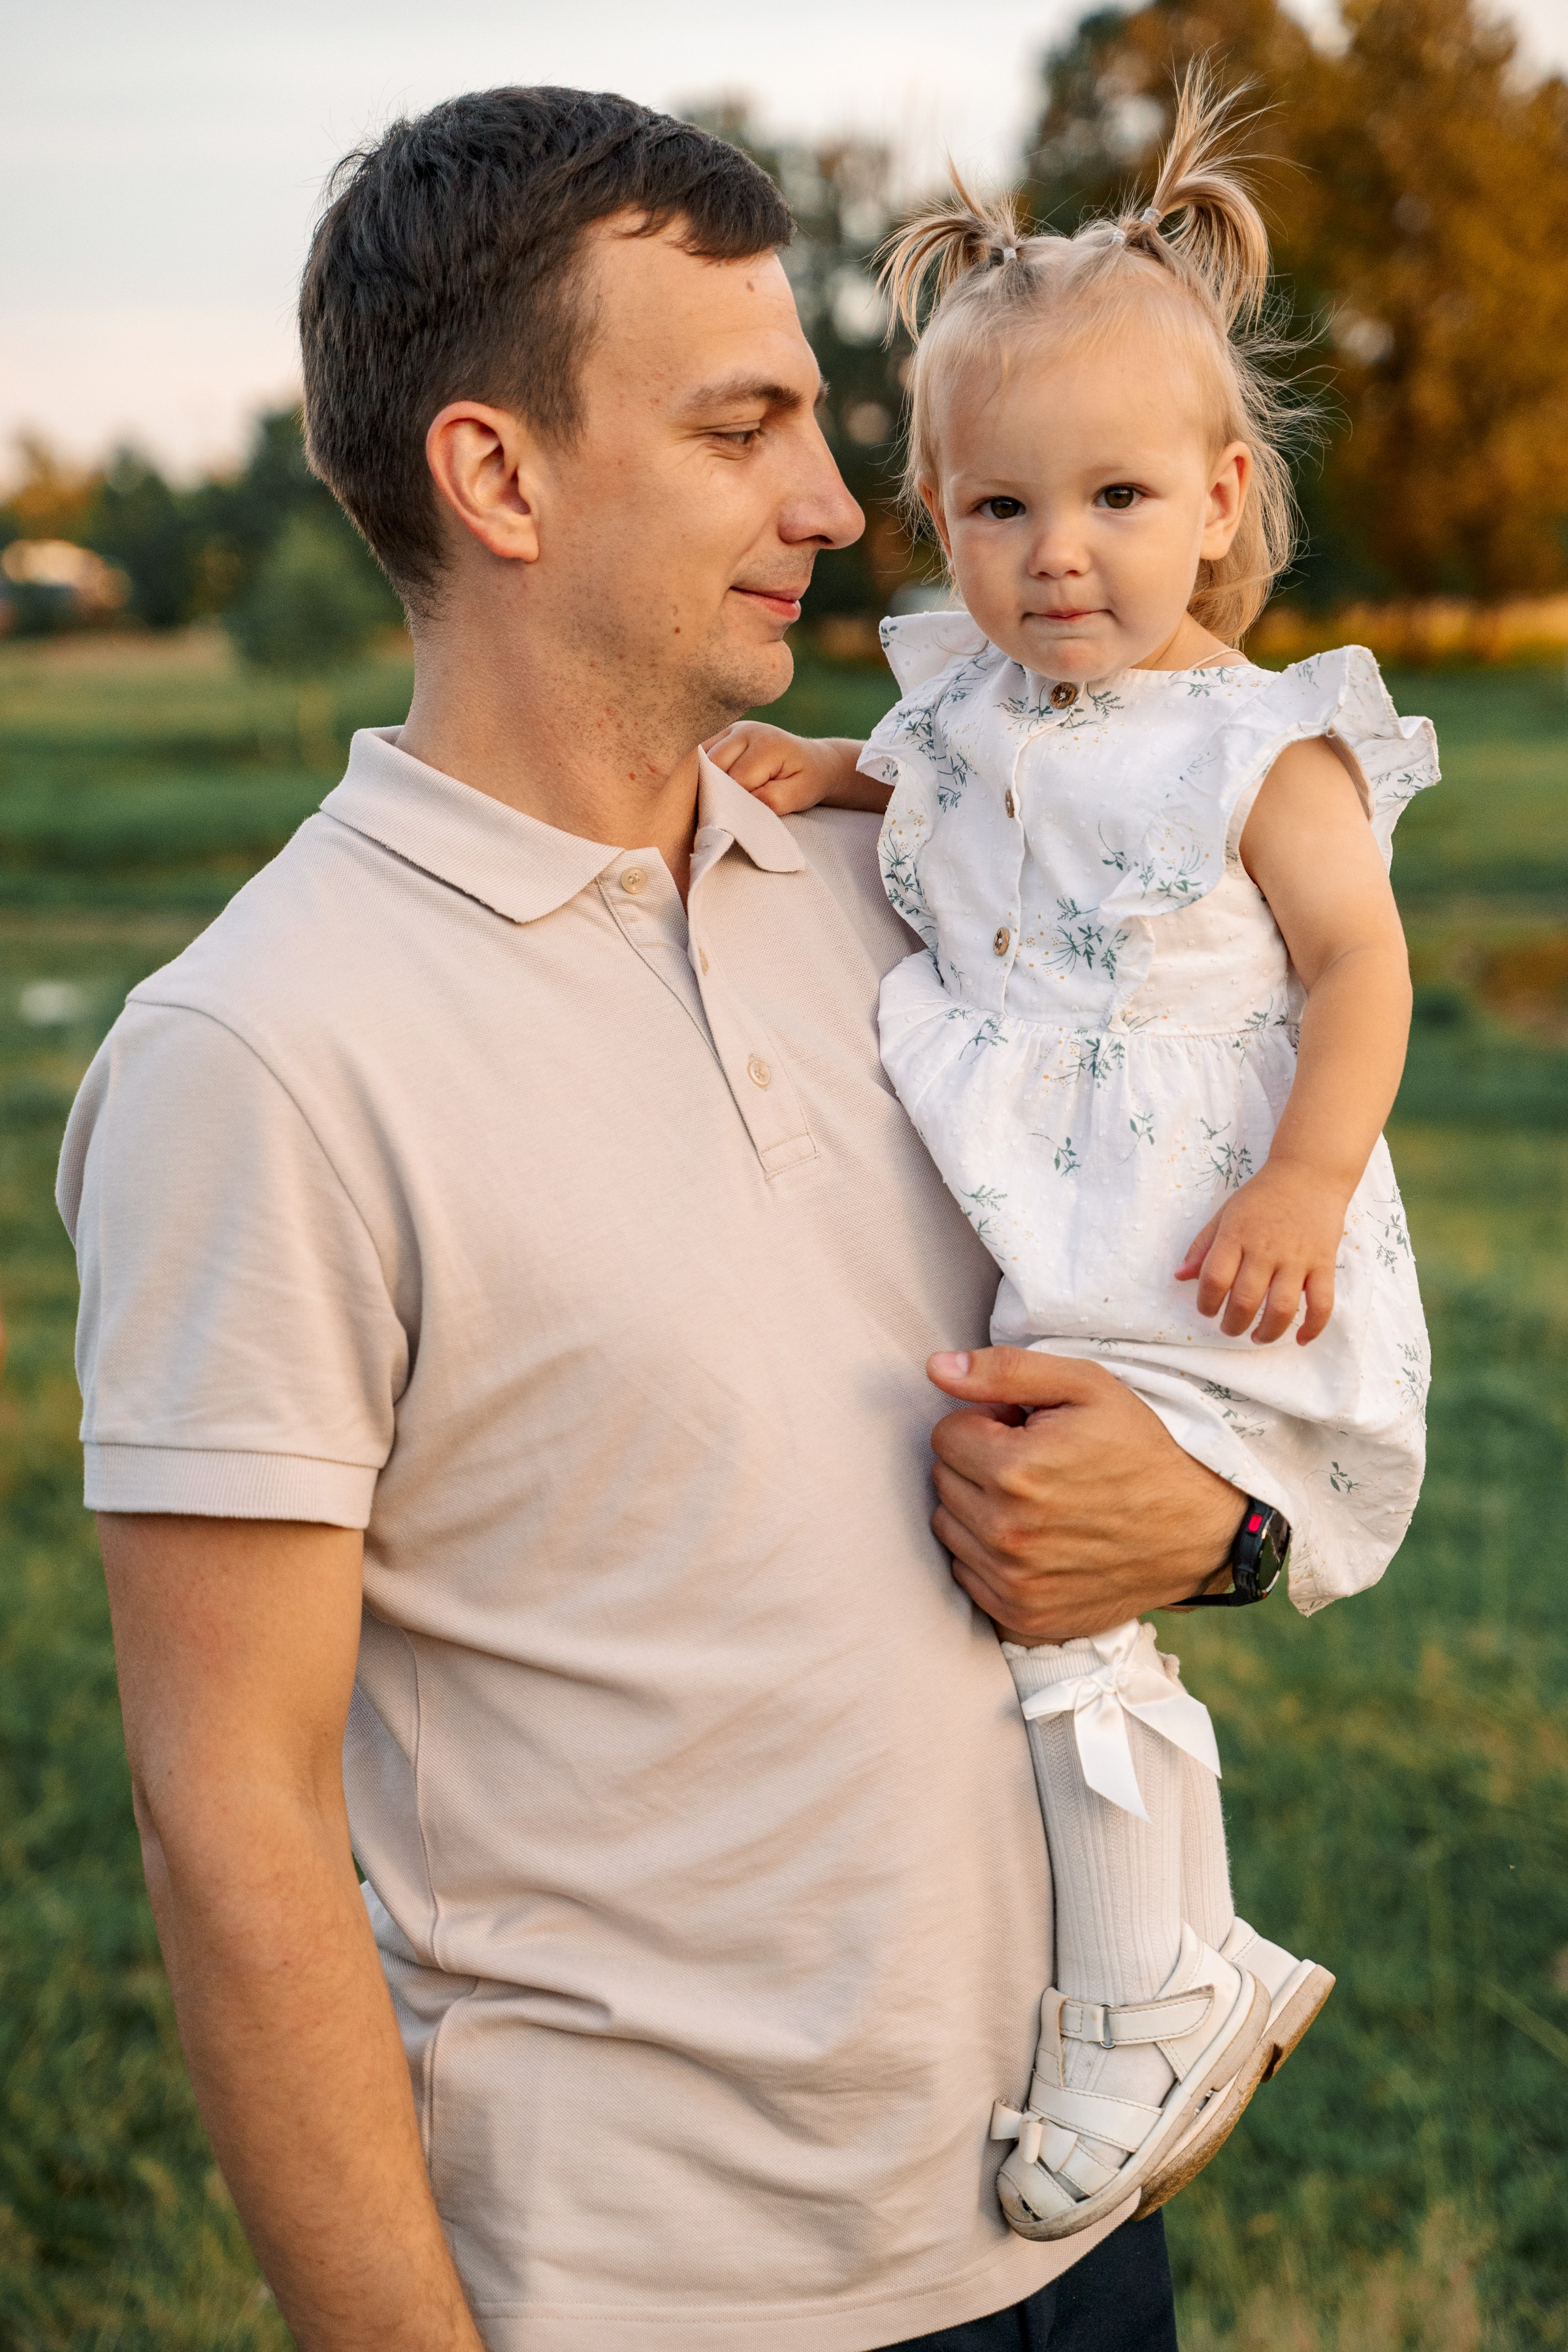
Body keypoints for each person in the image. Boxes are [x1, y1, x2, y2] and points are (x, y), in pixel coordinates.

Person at [60, 89, 1265, 2352]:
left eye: (822, 417)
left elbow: (1198, 1419)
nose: (838, 503)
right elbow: (229, 1828)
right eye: (744, 429)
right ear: (497, 477)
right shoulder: (262, 1057)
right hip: (661, 2299)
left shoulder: (922, 878)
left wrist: (1225, 1531)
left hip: (1083, 2228)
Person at [707, 68, 1436, 2243]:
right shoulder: (966, 715)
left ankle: (1148, 1989)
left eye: (1116, 500)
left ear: (1221, 498)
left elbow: (1363, 966)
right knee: (1057, 1602)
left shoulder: (1260, 741)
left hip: (1205, 1224)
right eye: (1001, 510)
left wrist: (1305, 1181)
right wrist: (826, 781)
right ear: (942, 511)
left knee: (1066, 1593)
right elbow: (917, 787)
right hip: (1061, 1216)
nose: (1058, 556)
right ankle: (1165, 1968)